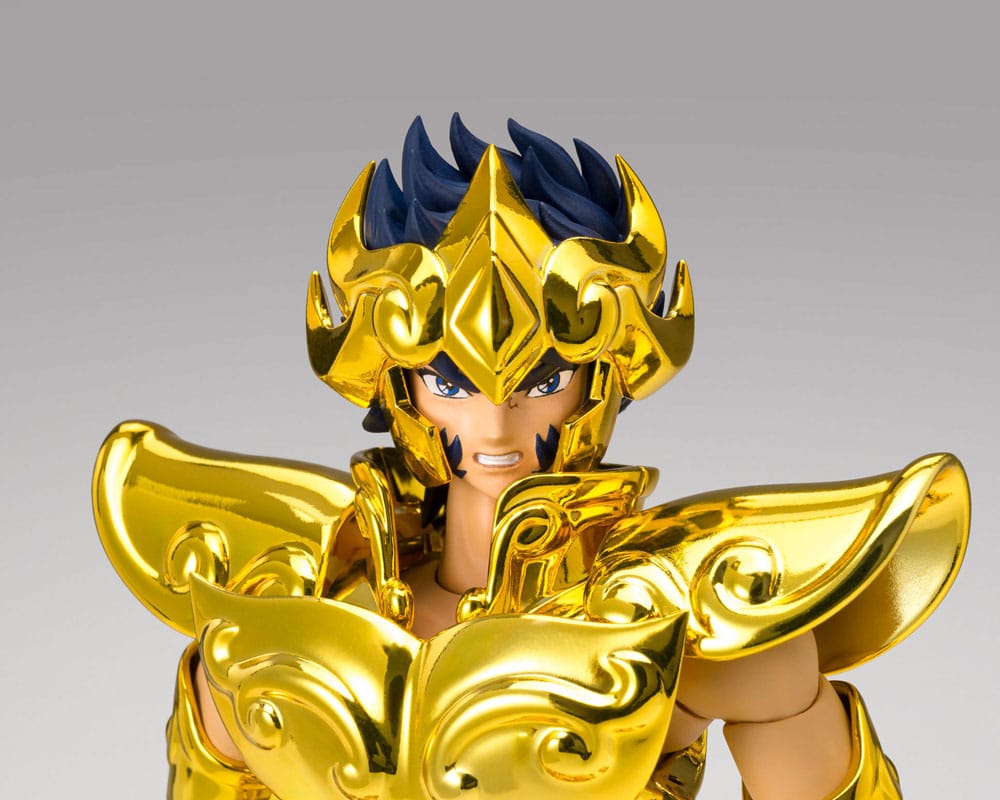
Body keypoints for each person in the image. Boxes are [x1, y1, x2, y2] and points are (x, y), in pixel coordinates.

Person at [94, 115, 970, 799]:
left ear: (607, 375)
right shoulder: (293, 600)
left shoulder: (682, 627)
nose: (496, 423)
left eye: (543, 379)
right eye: (449, 381)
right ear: (395, 384)